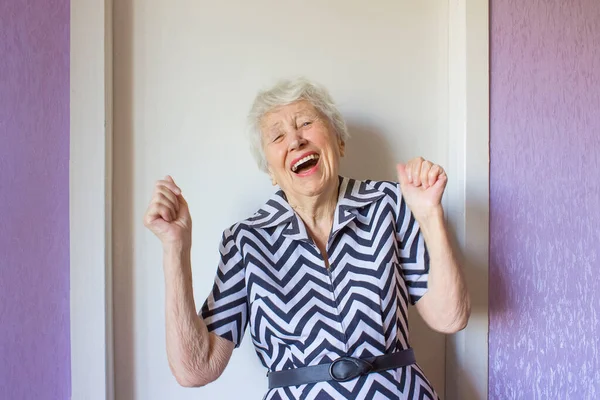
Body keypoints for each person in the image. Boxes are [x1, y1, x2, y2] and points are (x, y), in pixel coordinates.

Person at [143, 78, 470, 400]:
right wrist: (176, 246)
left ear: (339, 142)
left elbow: (450, 317)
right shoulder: (246, 241)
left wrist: (430, 215)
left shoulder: (391, 203)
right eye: (278, 136)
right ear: (270, 170)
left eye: (306, 124)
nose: (296, 141)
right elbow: (196, 370)